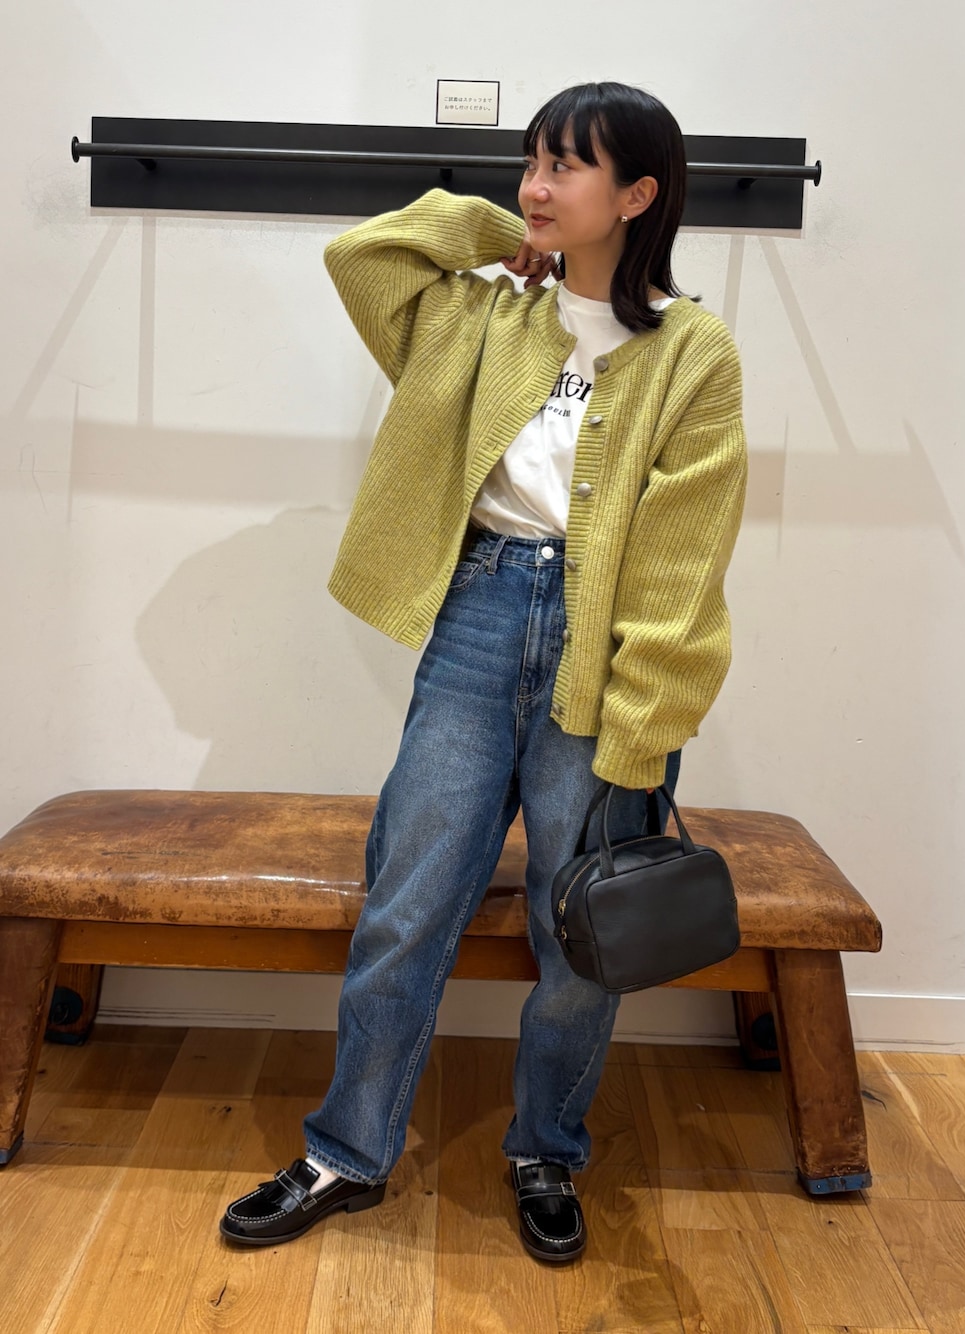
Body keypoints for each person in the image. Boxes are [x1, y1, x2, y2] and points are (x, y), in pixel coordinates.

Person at [220, 80, 747, 1263]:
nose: (536, 184)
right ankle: (346, 1150)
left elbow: (682, 561)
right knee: (408, 902)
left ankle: (544, 1148)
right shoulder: (483, 312)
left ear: (638, 195)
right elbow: (363, 260)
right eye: (531, 160)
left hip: (601, 646)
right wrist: (495, 231)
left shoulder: (693, 352)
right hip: (477, 611)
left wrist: (642, 728)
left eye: (565, 167)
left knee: (579, 930)